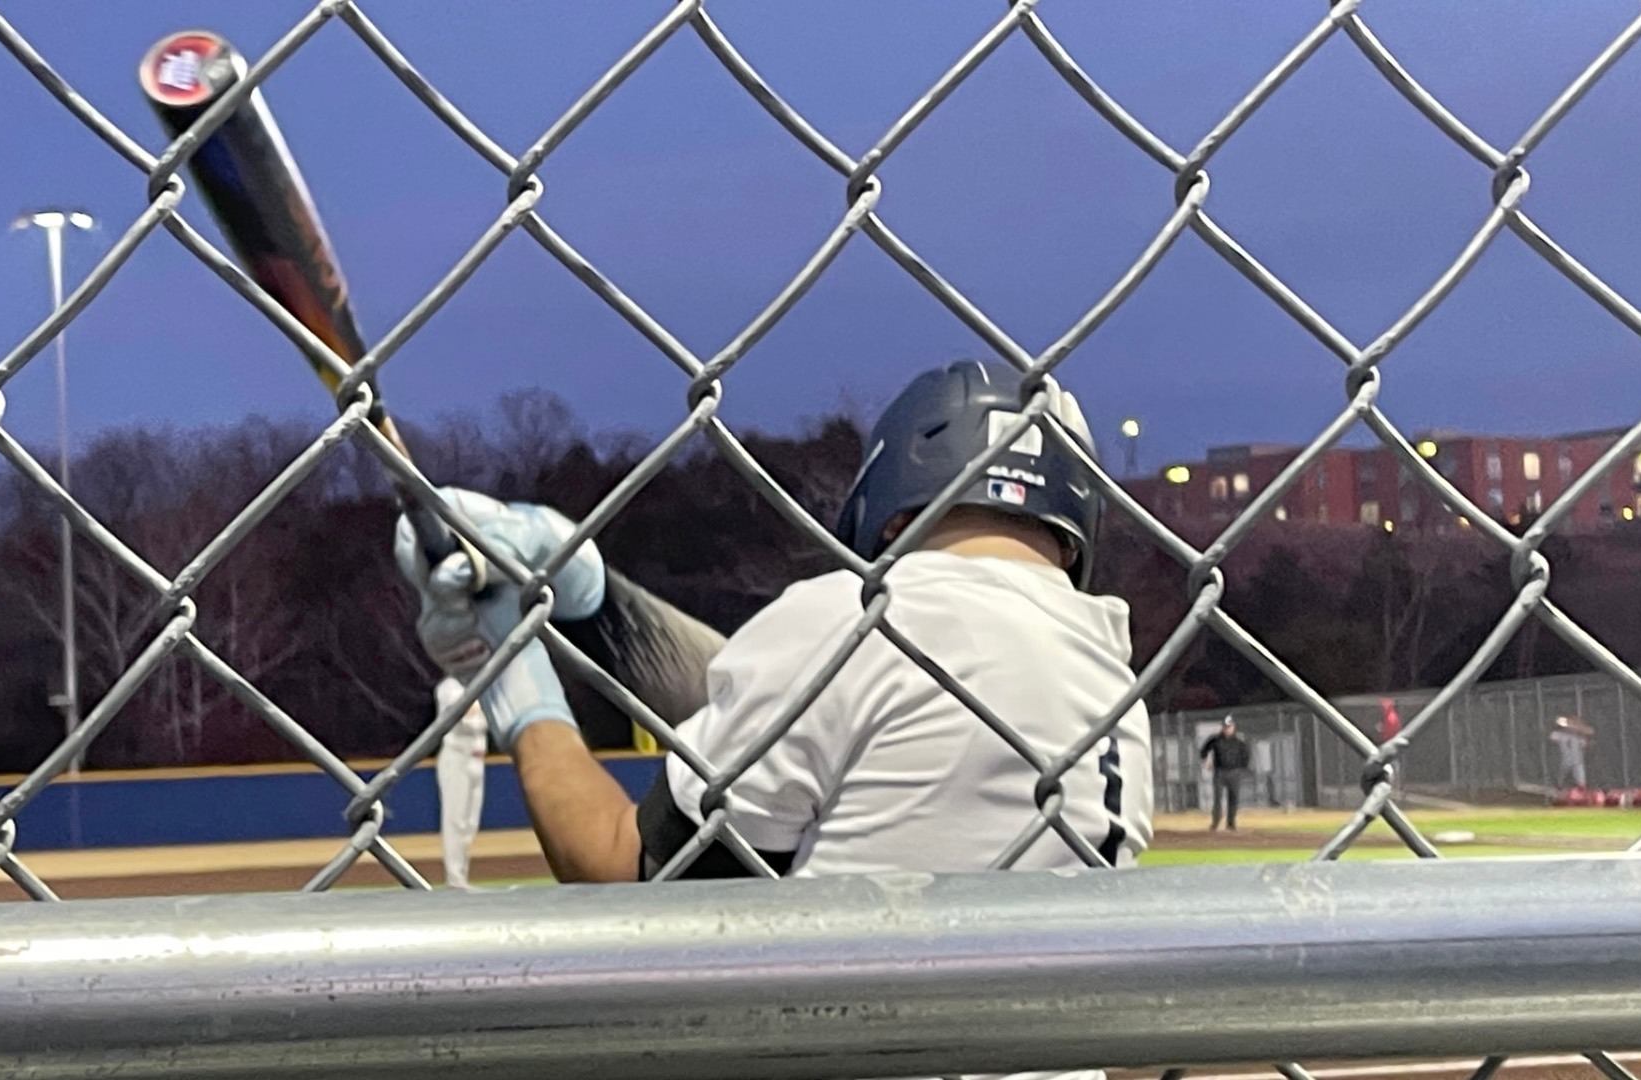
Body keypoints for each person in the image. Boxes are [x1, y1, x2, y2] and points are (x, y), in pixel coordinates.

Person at [397, 360, 1150, 1080]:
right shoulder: (1114, 687)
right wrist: (594, 600)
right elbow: (774, 715)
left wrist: (511, 672)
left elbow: (620, 864)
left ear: (889, 498)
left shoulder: (854, 622)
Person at [433, 675, 488, 890]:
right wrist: (481, 716)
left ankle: (462, 874)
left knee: (470, 822)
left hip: (478, 758)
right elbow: (467, 721)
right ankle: (454, 878)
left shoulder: (483, 684)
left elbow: (484, 720)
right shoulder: (449, 687)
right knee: (455, 820)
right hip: (456, 757)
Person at [1200, 716, 1249, 831]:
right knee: (1218, 799)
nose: (1228, 729)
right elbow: (1204, 750)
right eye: (1226, 727)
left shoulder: (1239, 742)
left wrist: (1242, 768)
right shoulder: (1215, 740)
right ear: (1222, 727)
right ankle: (1215, 822)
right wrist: (1206, 759)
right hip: (1220, 772)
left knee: (1233, 799)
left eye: (1230, 727)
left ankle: (1231, 824)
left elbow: (1246, 755)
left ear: (1234, 727)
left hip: (1235, 773)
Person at [1550, 715, 1593, 791]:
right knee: (1561, 776)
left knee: (1581, 782)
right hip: (1564, 760)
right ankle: (1559, 785)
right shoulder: (1559, 734)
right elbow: (1552, 737)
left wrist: (1581, 732)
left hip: (1577, 761)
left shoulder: (1578, 737)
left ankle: (1580, 793)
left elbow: (1587, 741)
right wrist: (1562, 726)